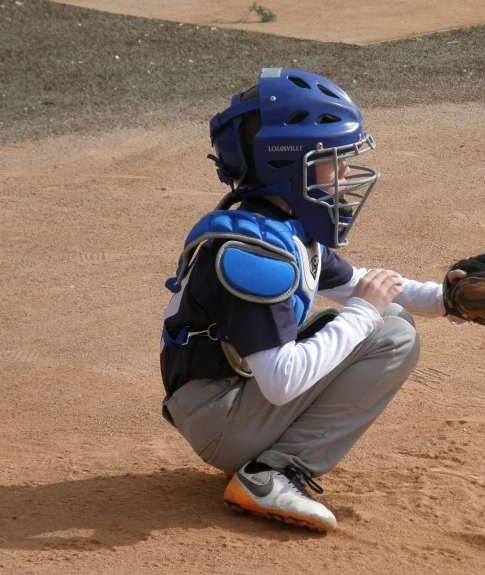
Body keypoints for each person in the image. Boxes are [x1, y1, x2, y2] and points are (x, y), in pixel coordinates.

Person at [159, 68, 461, 532]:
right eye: (332, 160)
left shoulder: (279, 226)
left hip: (222, 400)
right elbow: (281, 382)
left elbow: (361, 280)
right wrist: (361, 314)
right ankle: (270, 473)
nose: (344, 174)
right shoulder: (256, 258)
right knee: (388, 332)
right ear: (286, 164)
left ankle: (262, 452)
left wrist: (448, 300)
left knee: (391, 317)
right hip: (217, 418)